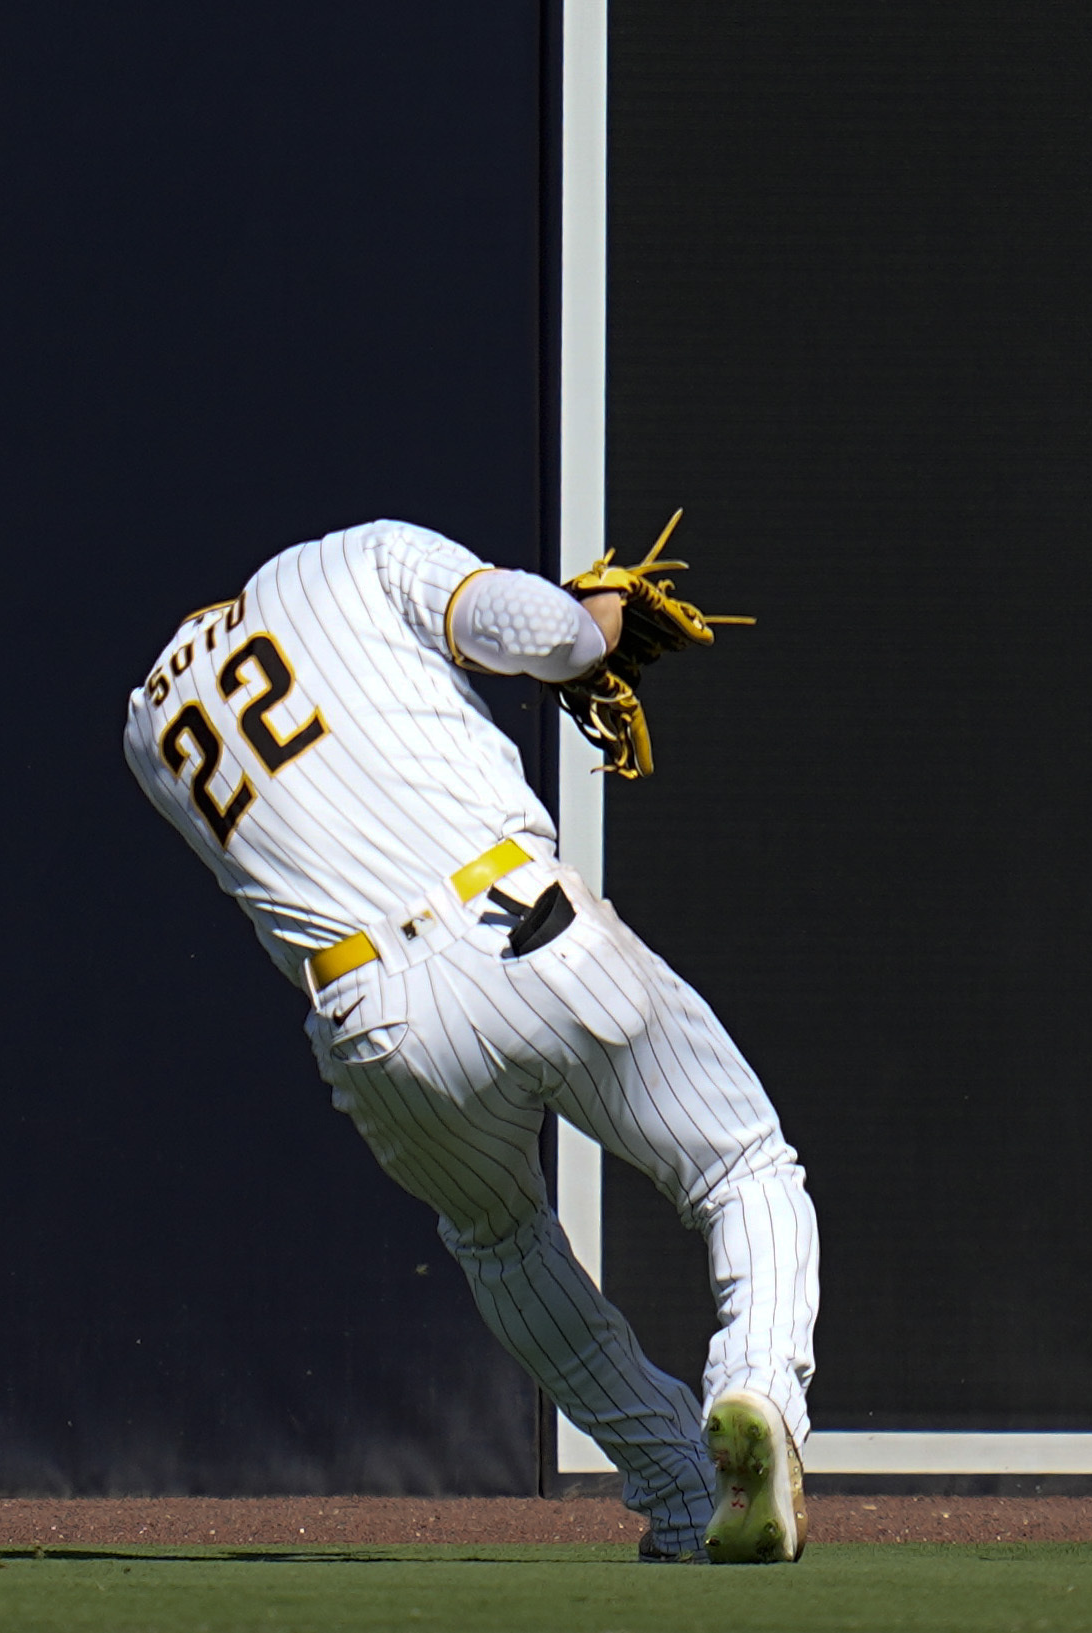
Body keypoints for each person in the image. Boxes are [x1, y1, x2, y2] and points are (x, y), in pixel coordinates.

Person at [122, 518, 817, 1564]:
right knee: (741, 1164)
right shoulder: (349, 556)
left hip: (371, 1015)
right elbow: (547, 639)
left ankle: (678, 1492)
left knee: (503, 1243)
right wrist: (596, 616)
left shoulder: (150, 727)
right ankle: (756, 1391)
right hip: (515, 924)